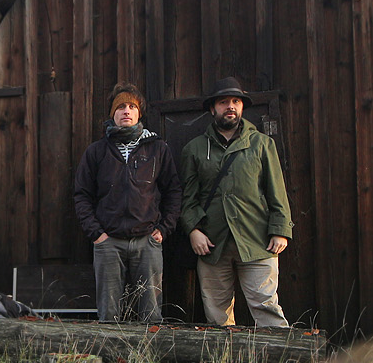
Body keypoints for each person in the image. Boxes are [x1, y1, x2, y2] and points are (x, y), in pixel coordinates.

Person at [180, 77, 292, 327]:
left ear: (241, 107)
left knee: (266, 306)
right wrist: (193, 230)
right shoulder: (194, 149)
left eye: (235, 101)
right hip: (212, 244)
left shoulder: (262, 144)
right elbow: (187, 197)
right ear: (213, 109)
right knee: (217, 314)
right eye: (223, 102)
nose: (230, 106)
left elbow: (277, 191)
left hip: (257, 239)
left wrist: (280, 230)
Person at [72, 82, 181, 323]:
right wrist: (96, 234)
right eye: (120, 107)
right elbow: (82, 195)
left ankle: (148, 358)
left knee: (151, 314)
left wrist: (163, 230)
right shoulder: (96, 152)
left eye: (132, 106)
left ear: (139, 112)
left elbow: (173, 191)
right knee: (109, 315)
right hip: (108, 242)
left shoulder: (157, 149)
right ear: (113, 113)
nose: (126, 111)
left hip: (147, 241)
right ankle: (110, 357)